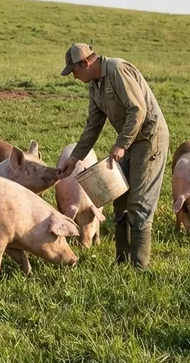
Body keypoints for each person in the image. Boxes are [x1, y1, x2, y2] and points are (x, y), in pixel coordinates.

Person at [59, 43, 169, 269]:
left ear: (86, 63)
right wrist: (75, 157)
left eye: (74, 71)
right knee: (119, 198)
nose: (74, 77)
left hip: (148, 139)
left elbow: (138, 110)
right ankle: (121, 261)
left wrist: (121, 144)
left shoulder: (118, 70)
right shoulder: (95, 86)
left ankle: (139, 267)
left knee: (138, 202)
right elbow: (93, 125)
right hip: (129, 142)